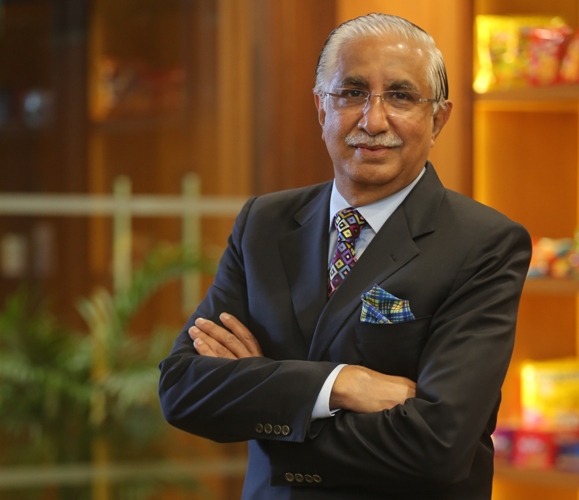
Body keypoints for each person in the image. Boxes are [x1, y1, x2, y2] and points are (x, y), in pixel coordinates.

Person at [158, 13, 532, 500]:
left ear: (438, 119)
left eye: (401, 96)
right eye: (352, 92)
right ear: (321, 107)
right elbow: (183, 388)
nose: (373, 121)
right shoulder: (264, 223)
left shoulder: (484, 243)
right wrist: (340, 384)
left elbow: (438, 444)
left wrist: (268, 402)